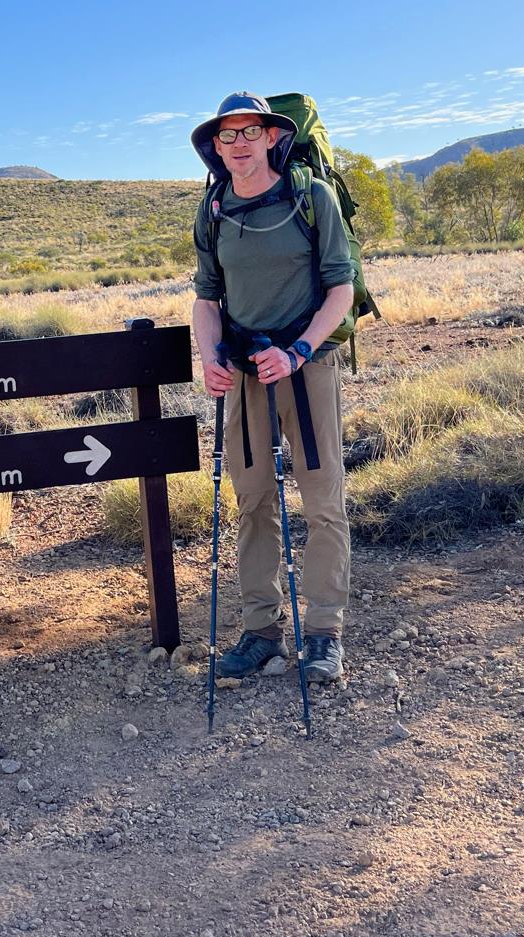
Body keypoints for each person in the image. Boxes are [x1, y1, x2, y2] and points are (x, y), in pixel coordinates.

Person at [187, 91, 354, 683]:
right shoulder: (213, 210)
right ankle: (261, 631)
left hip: (307, 367)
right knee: (254, 501)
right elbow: (207, 299)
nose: (237, 145)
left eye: (248, 132)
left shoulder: (312, 198)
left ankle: (324, 633)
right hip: (244, 373)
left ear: (271, 137)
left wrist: (300, 349)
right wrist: (210, 358)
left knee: (322, 502)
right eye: (226, 136)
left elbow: (342, 289)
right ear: (216, 145)